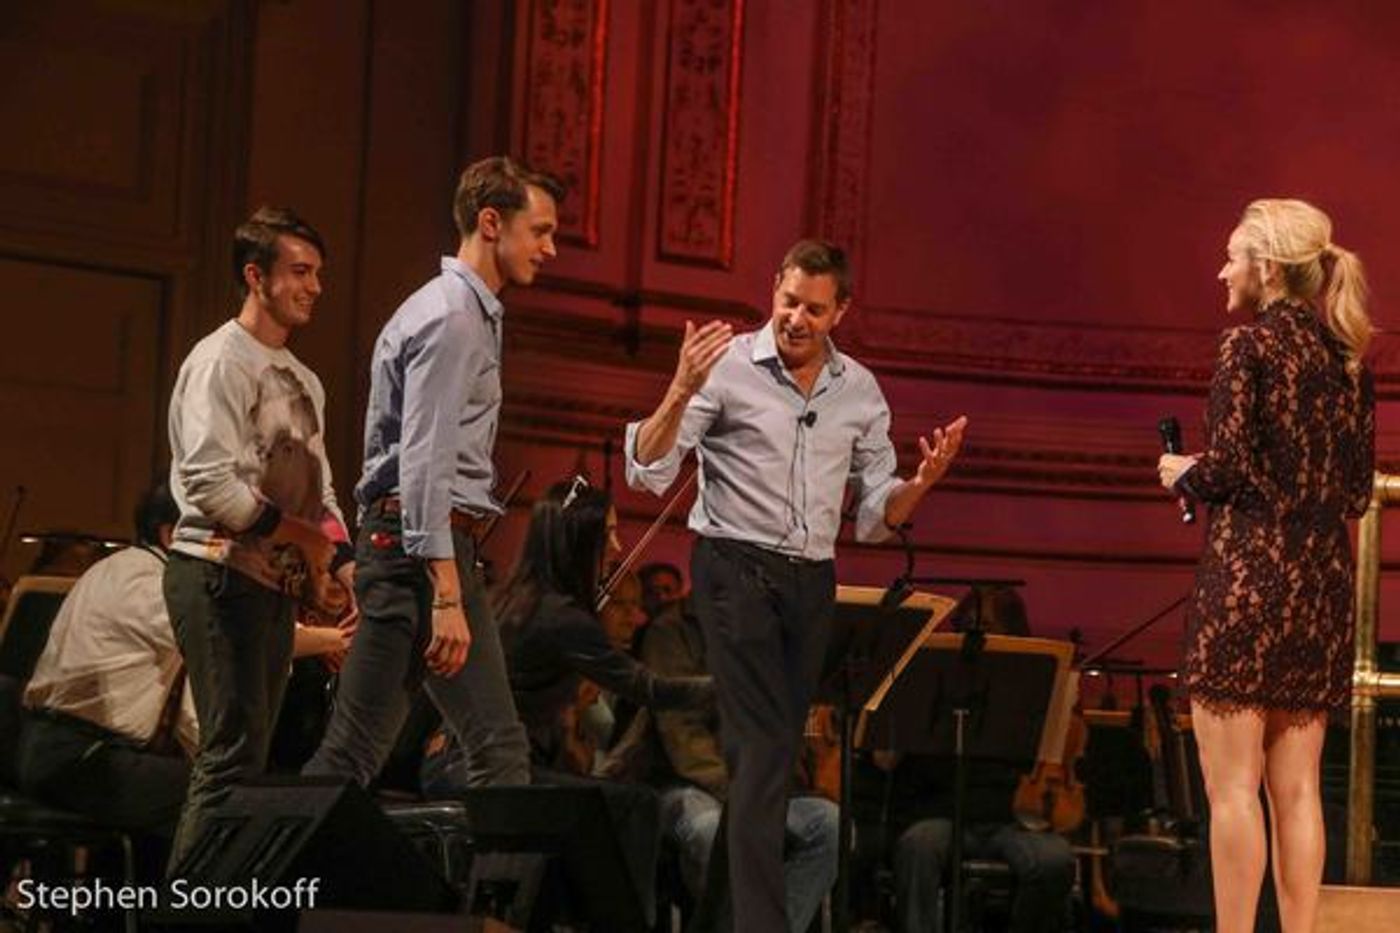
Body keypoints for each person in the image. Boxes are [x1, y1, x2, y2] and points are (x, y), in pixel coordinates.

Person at [626, 238, 968, 929]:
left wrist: (920, 485)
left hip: (811, 581)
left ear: (840, 310)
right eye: (787, 302)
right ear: (773, 290)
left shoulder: (859, 390)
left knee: (770, 767)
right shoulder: (724, 366)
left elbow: (875, 517)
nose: (796, 319)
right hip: (733, 567)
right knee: (761, 747)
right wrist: (679, 388)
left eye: (814, 308)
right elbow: (647, 468)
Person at [306, 157, 562, 789]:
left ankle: (250, 881)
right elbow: (424, 461)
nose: (551, 248)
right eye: (542, 230)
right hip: (420, 553)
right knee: (480, 751)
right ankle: (245, 883)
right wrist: (446, 592)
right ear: (492, 223)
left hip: (420, 550)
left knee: (368, 755)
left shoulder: (466, 314)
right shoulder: (453, 319)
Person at [1157, 199, 1374, 933]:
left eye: (1232, 256)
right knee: (1300, 790)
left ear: (1268, 268)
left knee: (1231, 791)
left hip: (1248, 580)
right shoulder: (1347, 362)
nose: (1222, 269)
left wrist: (1181, 470)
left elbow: (1226, 471)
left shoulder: (1244, 347)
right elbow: (1353, 492)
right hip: (1320, 586)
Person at [17, 479, 352, 877]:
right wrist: (340, 638)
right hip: (80, 760)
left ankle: (123, 911)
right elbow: (229, 634)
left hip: (66, 752)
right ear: (174, 533)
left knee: (211, 788)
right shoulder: (147, 578)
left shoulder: (116, 567)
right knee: (229, 800)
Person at [165, 206, 352, 868]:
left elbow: (319, 489)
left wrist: (342, 558)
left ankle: (220, 901)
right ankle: (186, 911)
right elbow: (210, 484)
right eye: (300, 271)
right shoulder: (220, 360)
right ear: (255, 276)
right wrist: (302, 535)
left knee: (250, 761)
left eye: (318, 274)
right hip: (215, 572)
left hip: (269, 583)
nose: (314, 286)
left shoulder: (306, 380)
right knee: (227, 756)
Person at [853, 586, 1074, 933]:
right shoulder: (932, 675)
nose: (976, 635)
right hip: (939, 812)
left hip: (1011, 817)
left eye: (987, 626)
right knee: (917, 848)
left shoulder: (1028, 682)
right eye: (968, 625)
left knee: (1053, 860)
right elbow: (885, 760)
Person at [640, 595, 838, 932]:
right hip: (692, 784)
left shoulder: (771, 627)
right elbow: (681, 734)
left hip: (759, 789)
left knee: (830, 825)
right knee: (711, 831)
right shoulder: (672, 631)